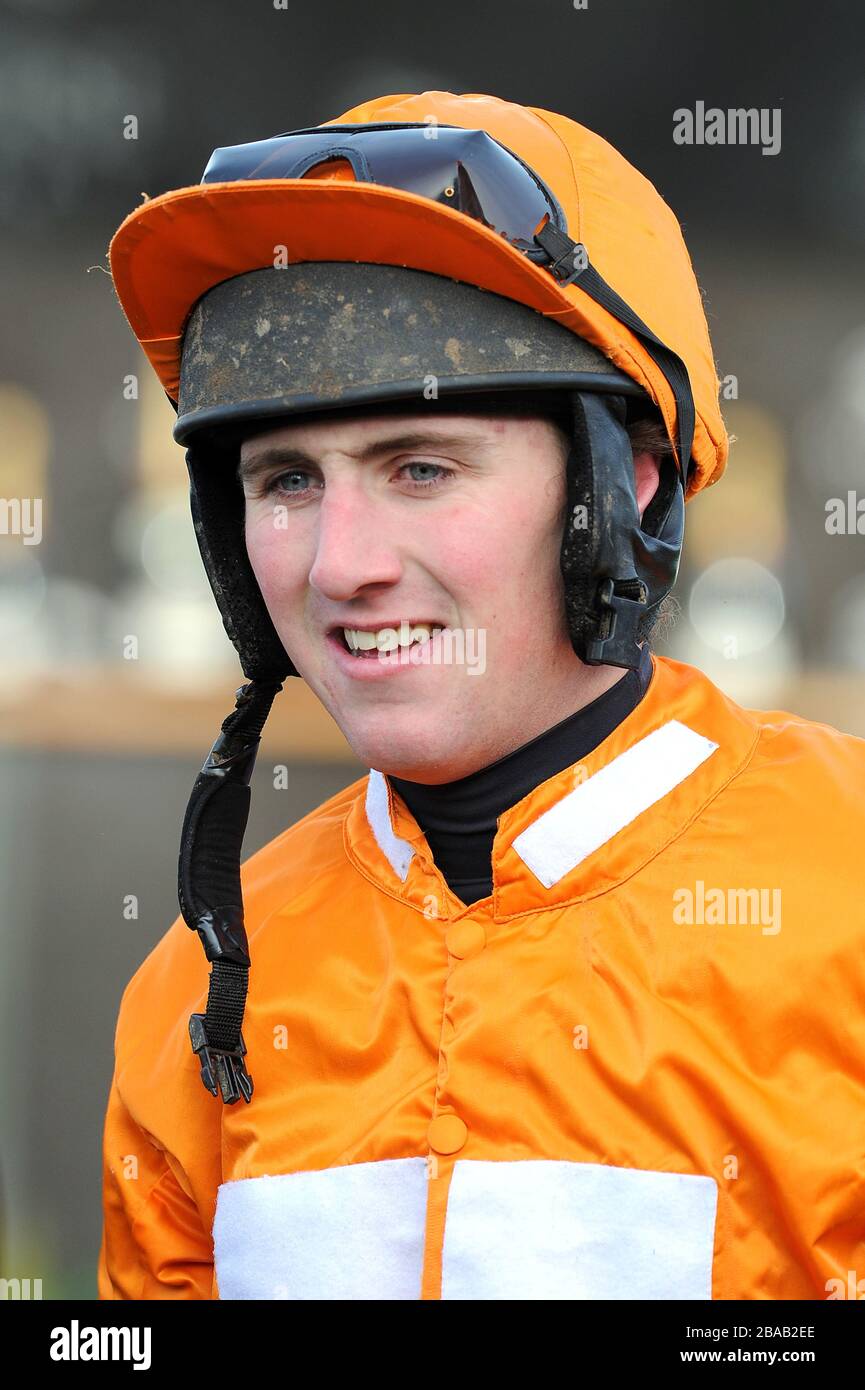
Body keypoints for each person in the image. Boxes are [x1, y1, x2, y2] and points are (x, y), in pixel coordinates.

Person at [98, 90, 865, 1301]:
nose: (340, 561)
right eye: (286, 479)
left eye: (419, 466)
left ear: (630, 492)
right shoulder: (198, 990)